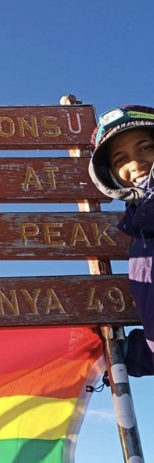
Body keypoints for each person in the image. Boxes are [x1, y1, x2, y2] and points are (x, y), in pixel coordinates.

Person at [88, 104, 154, 377]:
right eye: (119, 160)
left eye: (146, 148)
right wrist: (124, 353)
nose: (135, 165)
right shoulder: (142, 235)